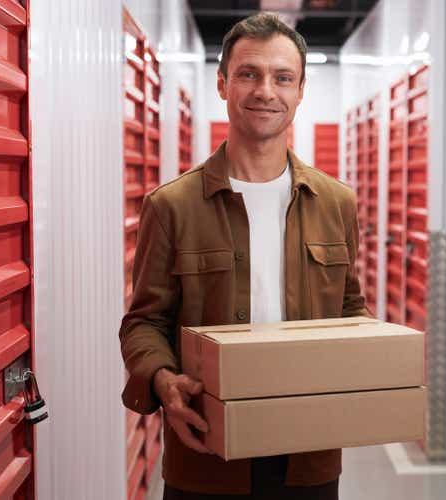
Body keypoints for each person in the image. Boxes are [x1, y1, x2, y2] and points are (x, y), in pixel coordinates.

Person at [119, 12, 369, 500]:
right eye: (248, 74)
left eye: (283, 78)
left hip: (309, 455)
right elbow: (144, 322)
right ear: (222, 83)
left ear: (300, 91)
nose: (265, 91)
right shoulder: (172, 206)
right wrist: (163, 379)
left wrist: (369, 361)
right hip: (207, 455)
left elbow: (349, 310)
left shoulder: (336, 203)